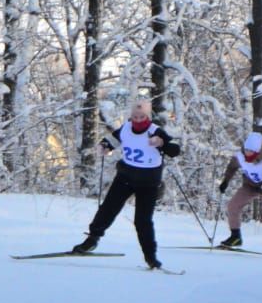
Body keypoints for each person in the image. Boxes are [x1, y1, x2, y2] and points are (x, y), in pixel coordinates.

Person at [71, 99, 182, 269]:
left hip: (148, 183)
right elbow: (111, 141)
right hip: (125, 177)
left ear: (148, 116)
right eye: (135, 116)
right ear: (131, 116)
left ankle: (151, 258)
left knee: (142, 221)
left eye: (142, 116)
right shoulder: (125, 128)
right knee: (108, 208)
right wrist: (104, 147)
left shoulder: (155, 131)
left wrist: (161, 143)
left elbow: (175, 150)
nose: (138, 120)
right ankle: (92, 240)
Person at [218, 131, 262, 258]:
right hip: (250, 186)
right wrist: (225, 181)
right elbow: (231, 167)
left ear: (257, 151)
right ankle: (235, 237)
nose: (247, 153)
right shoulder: (239, 157)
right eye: (246, 150)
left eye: (251, 151)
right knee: (232, 206)